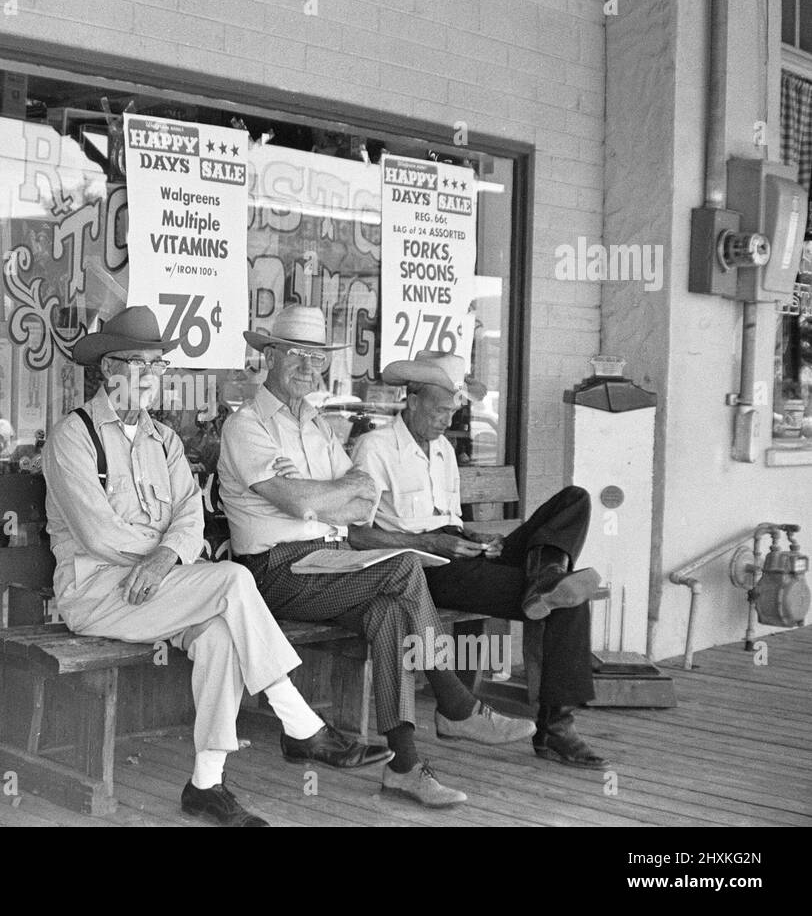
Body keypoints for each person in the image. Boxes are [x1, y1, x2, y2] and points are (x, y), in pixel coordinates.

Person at [42, 306, 392, 828]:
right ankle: (299, 724)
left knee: (220, 638)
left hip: (163, 590)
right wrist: (165, 557)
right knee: (233, 579)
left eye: (157, 366)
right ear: (108, 370)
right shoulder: (74, 436)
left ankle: (206, 784)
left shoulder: (164, 441)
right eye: (135, 364)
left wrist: (166, 557)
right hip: (99, 596)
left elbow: (189, 520)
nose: (148, 377)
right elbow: (98, 534)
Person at [219, 306, 536, 808]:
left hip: (329, 562)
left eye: (317, 356)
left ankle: (405, 766)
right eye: (296, 354)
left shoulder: (319, 426)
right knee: (407, 564)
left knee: (391, 611)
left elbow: (364, 494)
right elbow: (294, 501)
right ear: (270, 355)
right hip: (274, 571)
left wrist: (323, 492)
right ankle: (454, 700)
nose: (308, 365)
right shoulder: (247, 425)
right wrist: (322, 494)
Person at [350, 349, 610, 770]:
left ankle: (546, 577)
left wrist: (474, 537)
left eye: (452, 412)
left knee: (573, 499)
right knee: (570, 600)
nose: (446, 421)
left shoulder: (443, 451)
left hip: (462, 552)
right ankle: (556, 730)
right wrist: (435, 543)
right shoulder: (374, 449)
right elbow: (357, 534)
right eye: (438, 411)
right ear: (412, 400)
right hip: (424, 567)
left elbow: (450, 519)